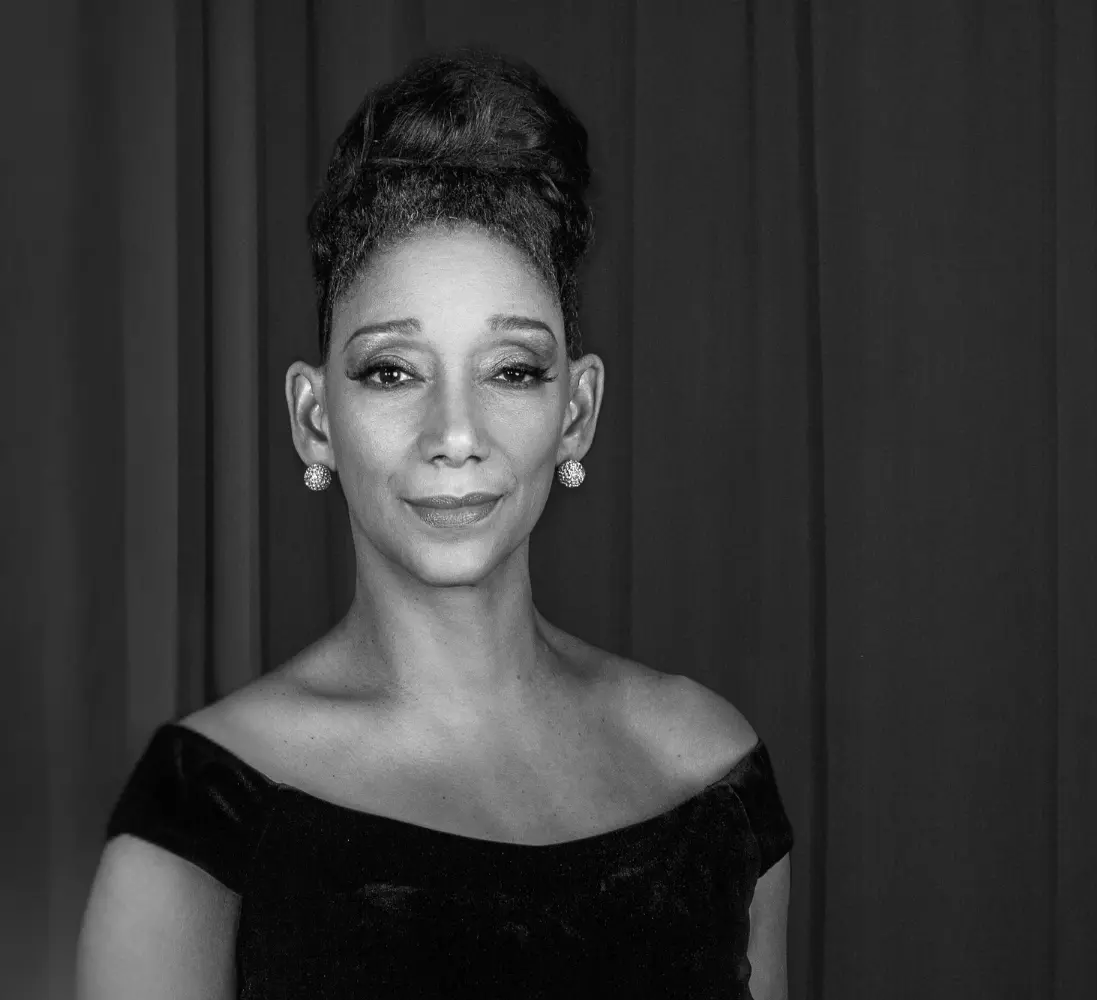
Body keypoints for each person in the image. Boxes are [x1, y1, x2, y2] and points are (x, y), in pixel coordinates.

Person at [75, 46, 792, 999]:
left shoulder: (711, 773)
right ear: (314, 417)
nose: (455, 436)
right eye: (392, 372)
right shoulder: (201, 817)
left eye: (511, 371)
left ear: (576, 411)